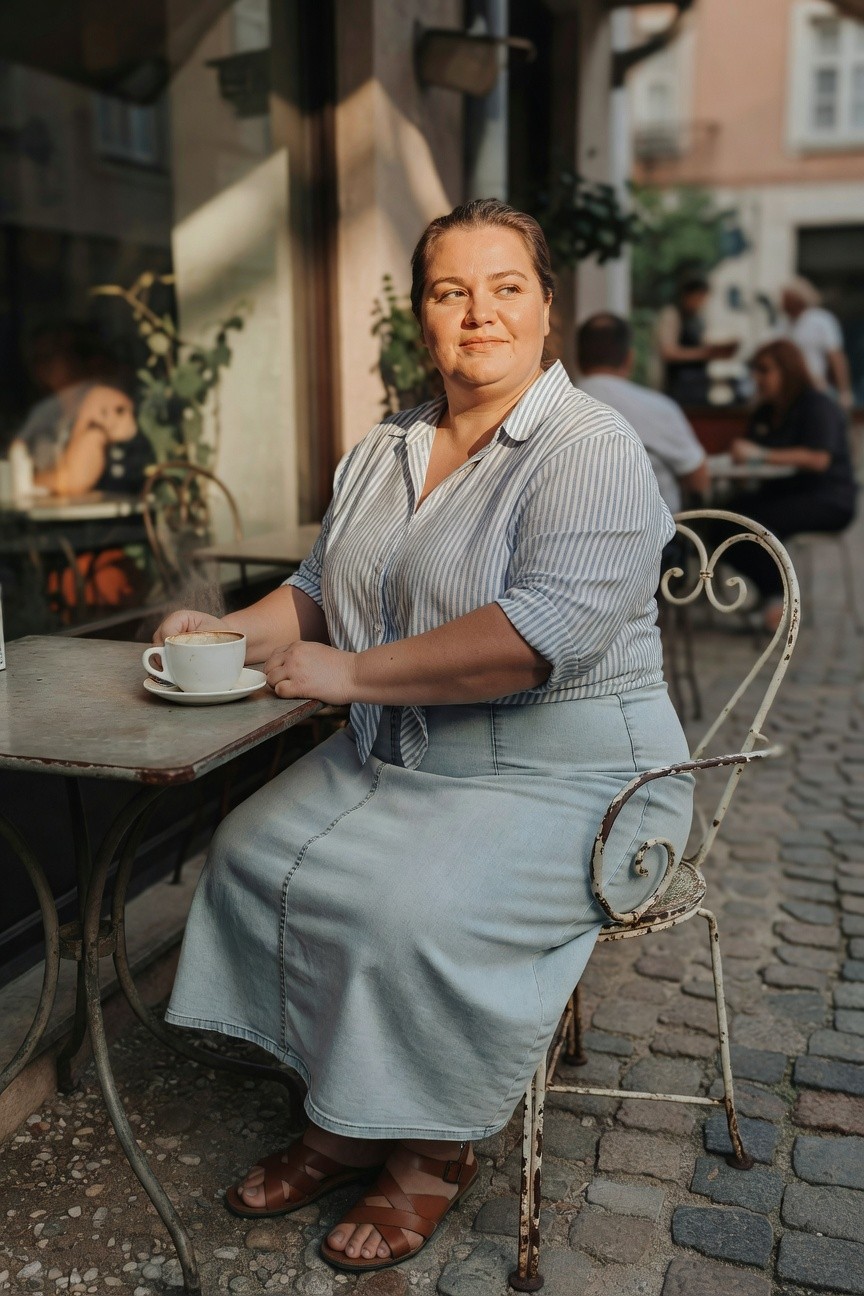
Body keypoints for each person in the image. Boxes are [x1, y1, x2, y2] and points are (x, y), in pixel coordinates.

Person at [154, 200, 694, 1275]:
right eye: (451, 291)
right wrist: (225, 628)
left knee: (409, 907)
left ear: (547, 306)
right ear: (423, 317)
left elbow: (531, 642)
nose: (478, 312)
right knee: (252, 855)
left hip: (570, 773)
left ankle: (432, 1147)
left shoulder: (590, 449)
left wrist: (352, 675)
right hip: (408, 755)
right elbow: (314, 593)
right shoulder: (387, 446)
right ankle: (348, 1111)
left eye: (504, 287)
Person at [724, 338, 857, 631]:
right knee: (723, 519)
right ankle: (773, 592)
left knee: (755, 523)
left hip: (827, 498)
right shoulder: (765, 412)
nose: (757, 378)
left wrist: (759, 455)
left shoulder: (816, 404)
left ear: (787, 370)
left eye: (764, 370)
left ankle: (779, 599)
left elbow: (818, 459)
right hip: (783, 494)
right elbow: (751, 459)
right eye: (755, 370)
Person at [577, 312, 709, 513]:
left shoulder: (547, 407)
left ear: (577, 359)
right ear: (629, 358)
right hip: (657, 540)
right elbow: (698, 479)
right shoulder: (660, 408)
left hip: (572, 539)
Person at [29, 383, 154, 497]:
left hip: (122, 515)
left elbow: (71, 482)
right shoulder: (52, 409)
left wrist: (33, 480)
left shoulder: (101, 401)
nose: (41, 367)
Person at [654, 277, 738, 406]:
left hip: (695, 384)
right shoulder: (672, 315)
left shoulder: (697, 318)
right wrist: (706, 353)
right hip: (676, 385)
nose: (701, 303)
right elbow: (668, 352)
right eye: (698, 298)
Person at [779, 277, 853, 411]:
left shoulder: (821, 320)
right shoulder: (782, 325)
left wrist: (844, 391)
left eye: (785, 298)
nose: (781, 303)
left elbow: (835, 357)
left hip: (816, 387)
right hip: (790, 390)